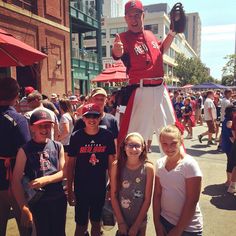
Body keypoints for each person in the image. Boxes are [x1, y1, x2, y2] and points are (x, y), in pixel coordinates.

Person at [112, 0, 184, 144]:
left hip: (160, 89)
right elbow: (117, 53)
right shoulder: (123, 38)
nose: (134, 19)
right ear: (125, 18)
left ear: (143, 16)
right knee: (134, 137)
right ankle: (130, 166)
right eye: (130, 16)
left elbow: (161, 50)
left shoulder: (150, 34)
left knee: (172, 134)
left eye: (137, 15)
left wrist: (172, 32)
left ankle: (175, 166)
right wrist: (117, 50)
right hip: (140, 89)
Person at [12, 109, 67, 236]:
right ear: (32, 127)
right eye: (40, 125)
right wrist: (23, 207)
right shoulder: (24, 150)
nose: (44, 129)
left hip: (57, 199)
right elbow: (15, 181)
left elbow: (64, 172)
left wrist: (46, 180)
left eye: (48, 125)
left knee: (59, 232)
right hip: (37, 202)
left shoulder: (58, 146)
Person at [67, 103, 116, 236]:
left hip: (100, 185)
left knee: (96, 222)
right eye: (88, 116)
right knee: (81, 224)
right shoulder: (76, 136)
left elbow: (112, 162)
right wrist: (69, 188)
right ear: (83, 118)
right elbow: (70, 163)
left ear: (100, 117)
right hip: (81, 186)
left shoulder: (107, 136)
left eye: (95, 116)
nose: (92, 119)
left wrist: (112, 186)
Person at [153, 124, 203, 236]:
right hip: (164, 221)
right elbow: (157, 194)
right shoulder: (159, 163)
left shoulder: (189, 164)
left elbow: (192, 200)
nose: (169, 148)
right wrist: (157, 223)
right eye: (164, 144)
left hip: (188, 228)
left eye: (173, 143)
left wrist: (178, 230)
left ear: (181, 141)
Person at [0, 77, 31, 236]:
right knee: (24, 219)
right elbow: (26, 149)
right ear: (16, 95)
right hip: (13, 174)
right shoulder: (18, 119)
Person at [110, 132, 154, 236]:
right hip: (122, 218)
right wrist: (121, 222)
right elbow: (114, 195)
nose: (133, 149)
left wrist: (136, 225)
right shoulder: (116, 166)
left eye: (137, 146)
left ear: (143, 147)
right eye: (130, 145)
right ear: (124, 147)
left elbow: (147, 199)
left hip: (140, 221)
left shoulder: (148, 168)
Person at [221, 105, 236, 186]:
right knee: (231, 163)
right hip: (229, 145)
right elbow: (231, 137)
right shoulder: (228, 122)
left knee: (231, 163)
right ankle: (229, 181)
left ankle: (229, 181)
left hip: (227, 144)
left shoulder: (227, 120)